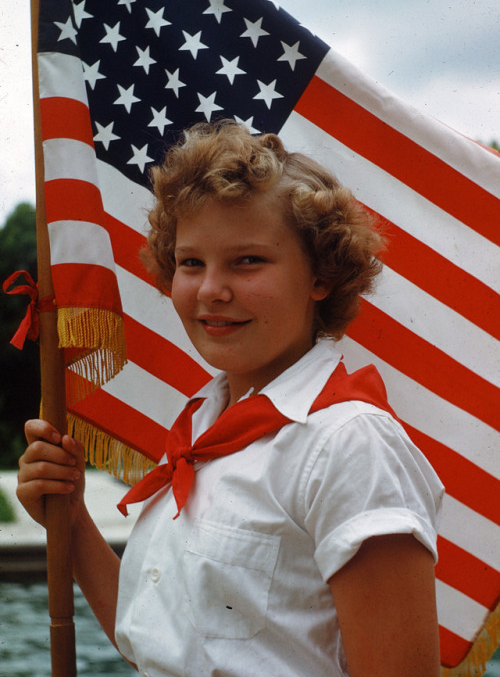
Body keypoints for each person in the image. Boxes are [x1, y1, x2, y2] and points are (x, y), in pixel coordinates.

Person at [17, 120, 444, 677]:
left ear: (321, 274)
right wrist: (69, 521)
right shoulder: (200, 427)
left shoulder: (349, 445)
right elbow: (163, 646)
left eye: (247, 261)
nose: (211, 289)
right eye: (191, 263)